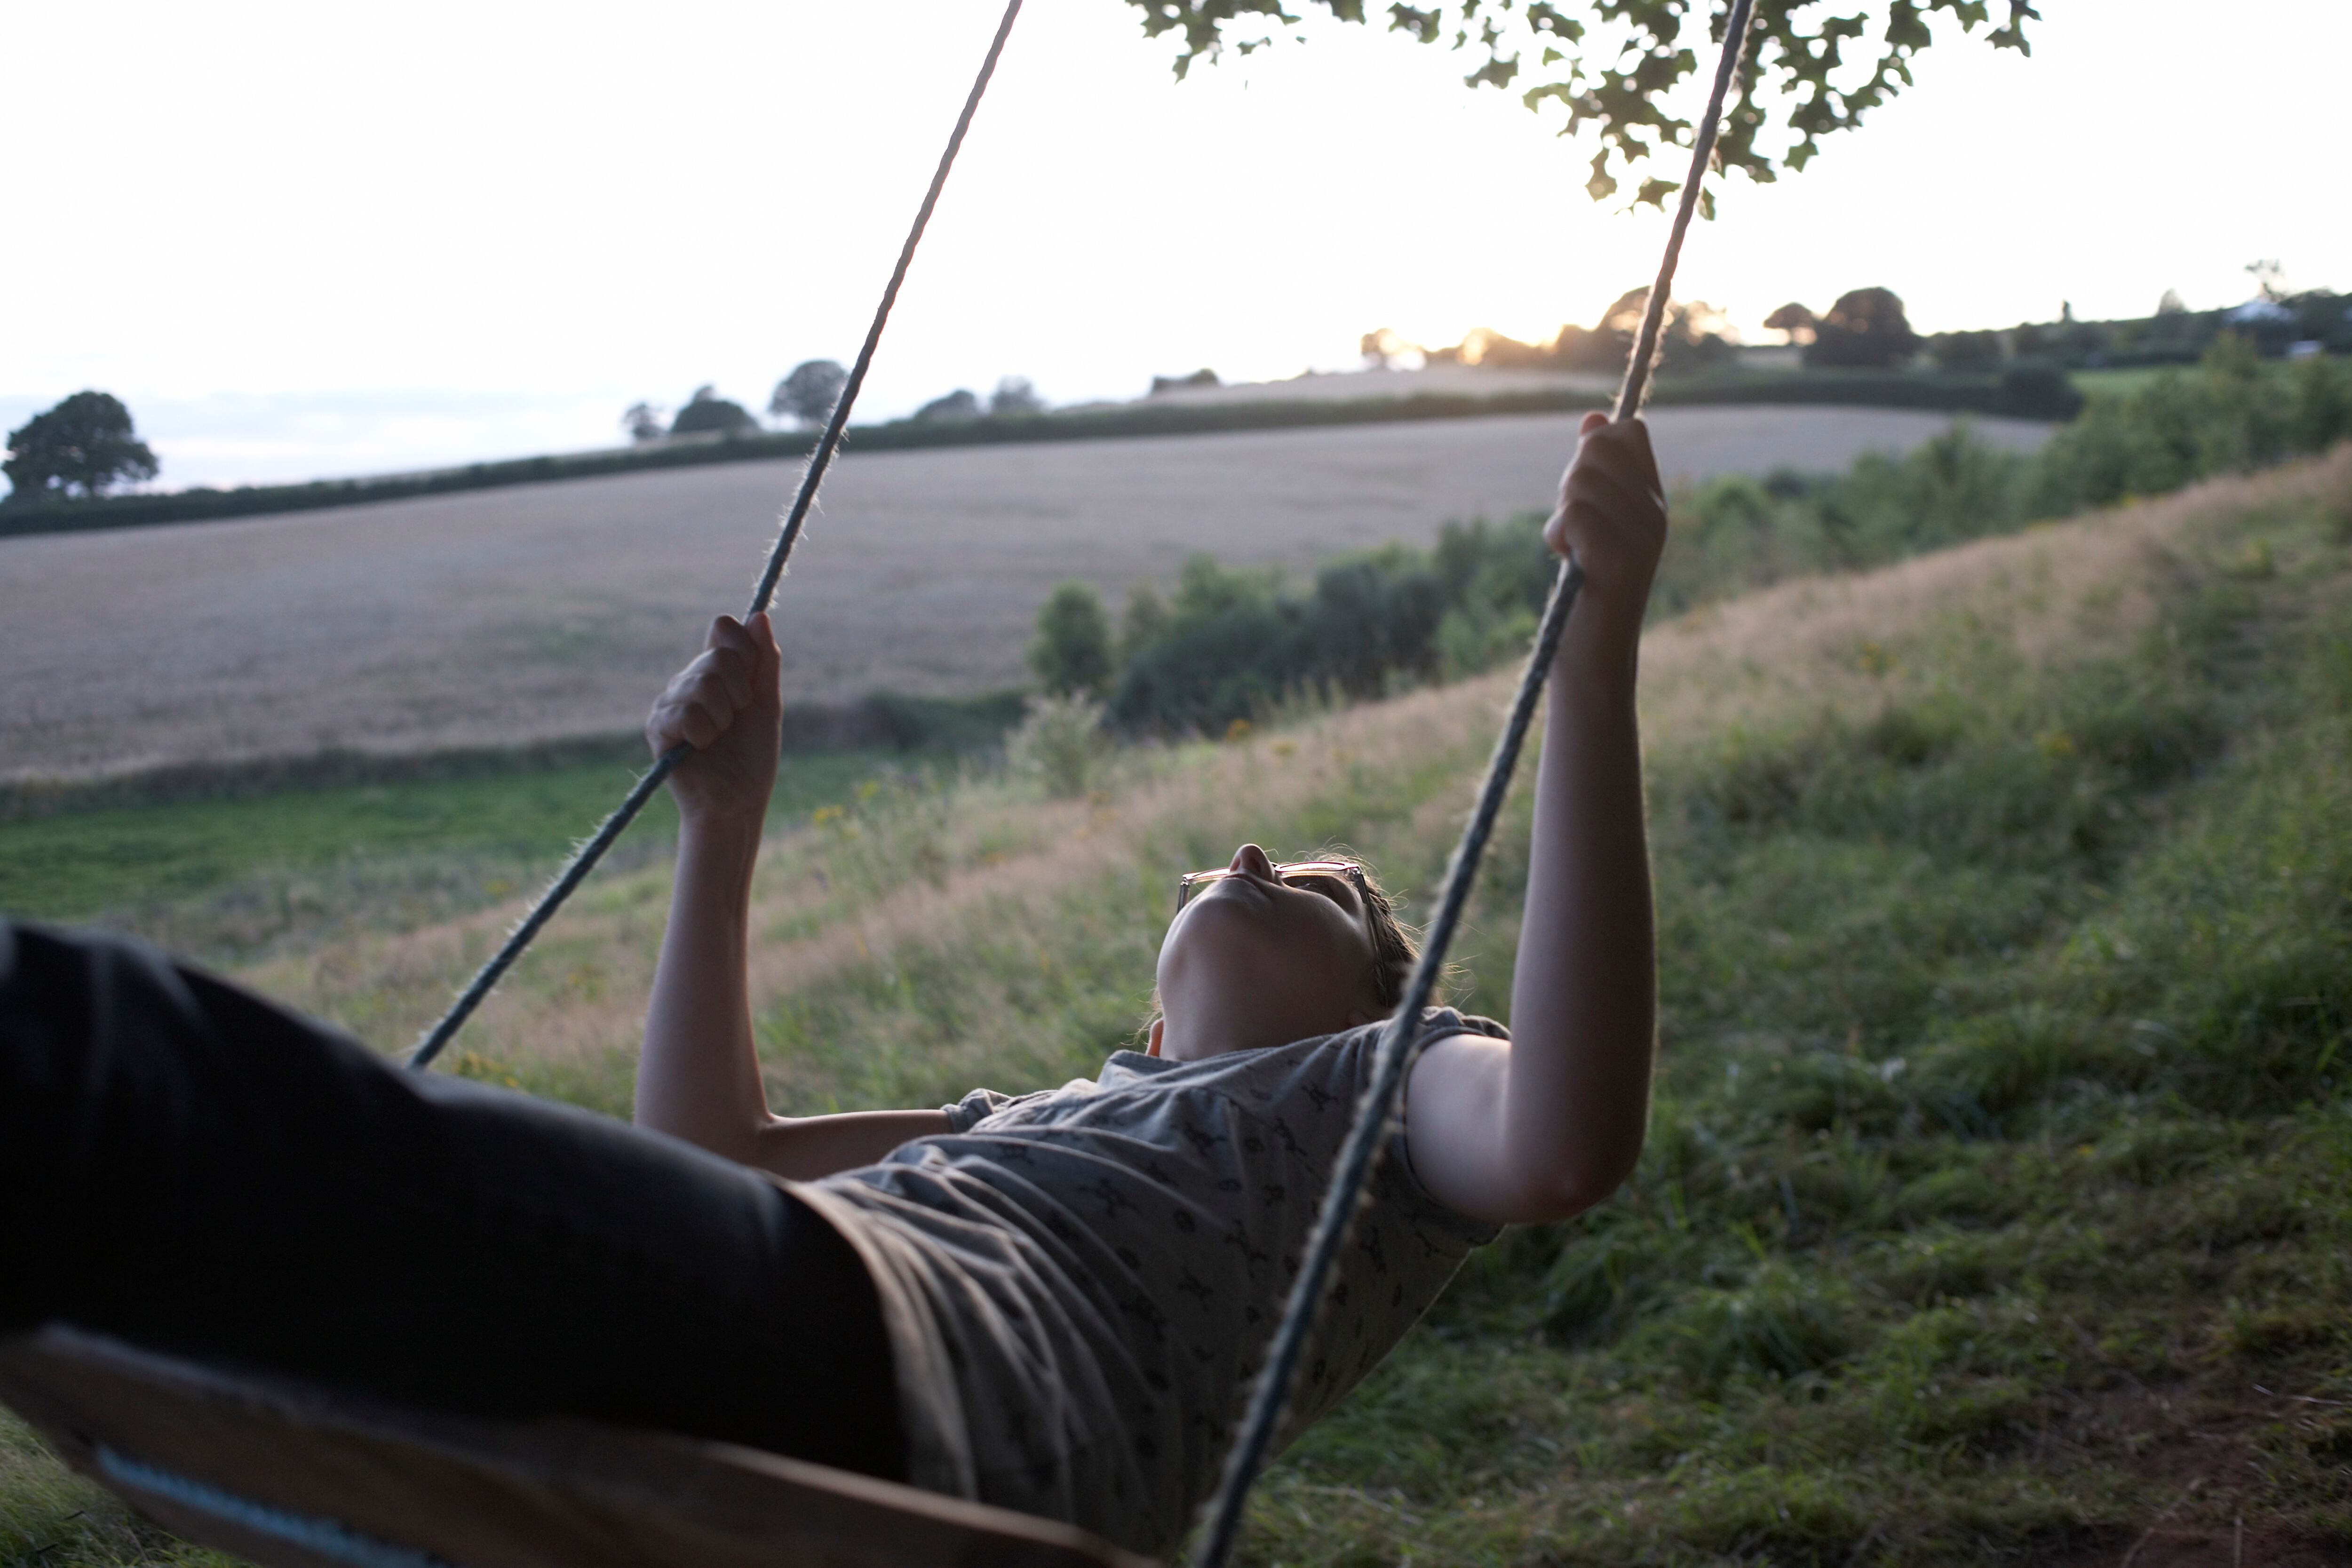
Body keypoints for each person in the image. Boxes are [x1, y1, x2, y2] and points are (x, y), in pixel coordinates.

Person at [0, 412, 1666, 1558]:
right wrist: (724, 828)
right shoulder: (1040, 1118)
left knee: (104, 1064)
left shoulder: (1378, 1097)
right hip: (819, 1324)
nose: (1249, 852)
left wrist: (1595, 667)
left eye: (1313, 885)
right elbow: (715, 1156)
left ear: (1378, 1010)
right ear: (1147, 1038)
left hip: (933, 1375)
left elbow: (1562, 1141)